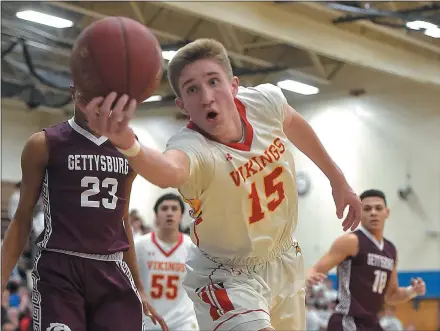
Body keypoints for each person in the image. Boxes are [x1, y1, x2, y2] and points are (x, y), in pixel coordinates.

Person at [81, 38, 361, 331]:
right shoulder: (192, 147)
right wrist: (129, 144)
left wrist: (337, 179)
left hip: (284, 258)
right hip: (226, 274)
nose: (206, 96)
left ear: (234, 85)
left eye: (214, 82)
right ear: (182, 105)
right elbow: (169, 171)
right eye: (192, 89)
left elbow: (293, 123)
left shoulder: (265, 102)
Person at [1, 83, 167, 331]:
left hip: (111, 268)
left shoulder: (129, 147)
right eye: (86, 87)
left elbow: (122, 222)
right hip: (60, 269)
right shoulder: (44, 143)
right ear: (72, 90)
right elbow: (22, 218)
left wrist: (139, 287)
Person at [307, 189, 426, 331]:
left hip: (372, 323)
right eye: (367, 209)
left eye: (378, 208)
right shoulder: (351, 241)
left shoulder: (390, 250)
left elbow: (391, 295)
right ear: (359, 212)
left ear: (386, 212)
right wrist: (301, 283)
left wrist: (412, 291)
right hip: (347, 321)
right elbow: (315, 270)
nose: (373, 212)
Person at [135, 193, 199, 331]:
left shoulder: (192, 247)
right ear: (156, 215)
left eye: (174, 209)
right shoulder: (139, 245)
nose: (169, 213)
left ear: (181, 215)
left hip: (184, 321)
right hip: (149, 320)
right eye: (164, 209)